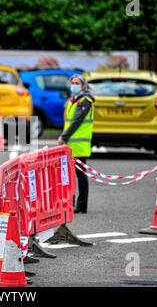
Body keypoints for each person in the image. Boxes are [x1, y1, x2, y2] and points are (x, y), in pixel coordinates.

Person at [58, 74, 95, 214]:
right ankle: (70, 203)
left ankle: (81, 206)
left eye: (77, 83)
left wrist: (64, 136)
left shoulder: (85, 101)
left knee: (80, 175)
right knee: (70, 175)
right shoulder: (73, 100)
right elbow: (68, 121)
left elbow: (77, 121)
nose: (74, 85)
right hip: (70, 144)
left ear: (83, 85)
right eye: (72, 82)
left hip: (79, 144)